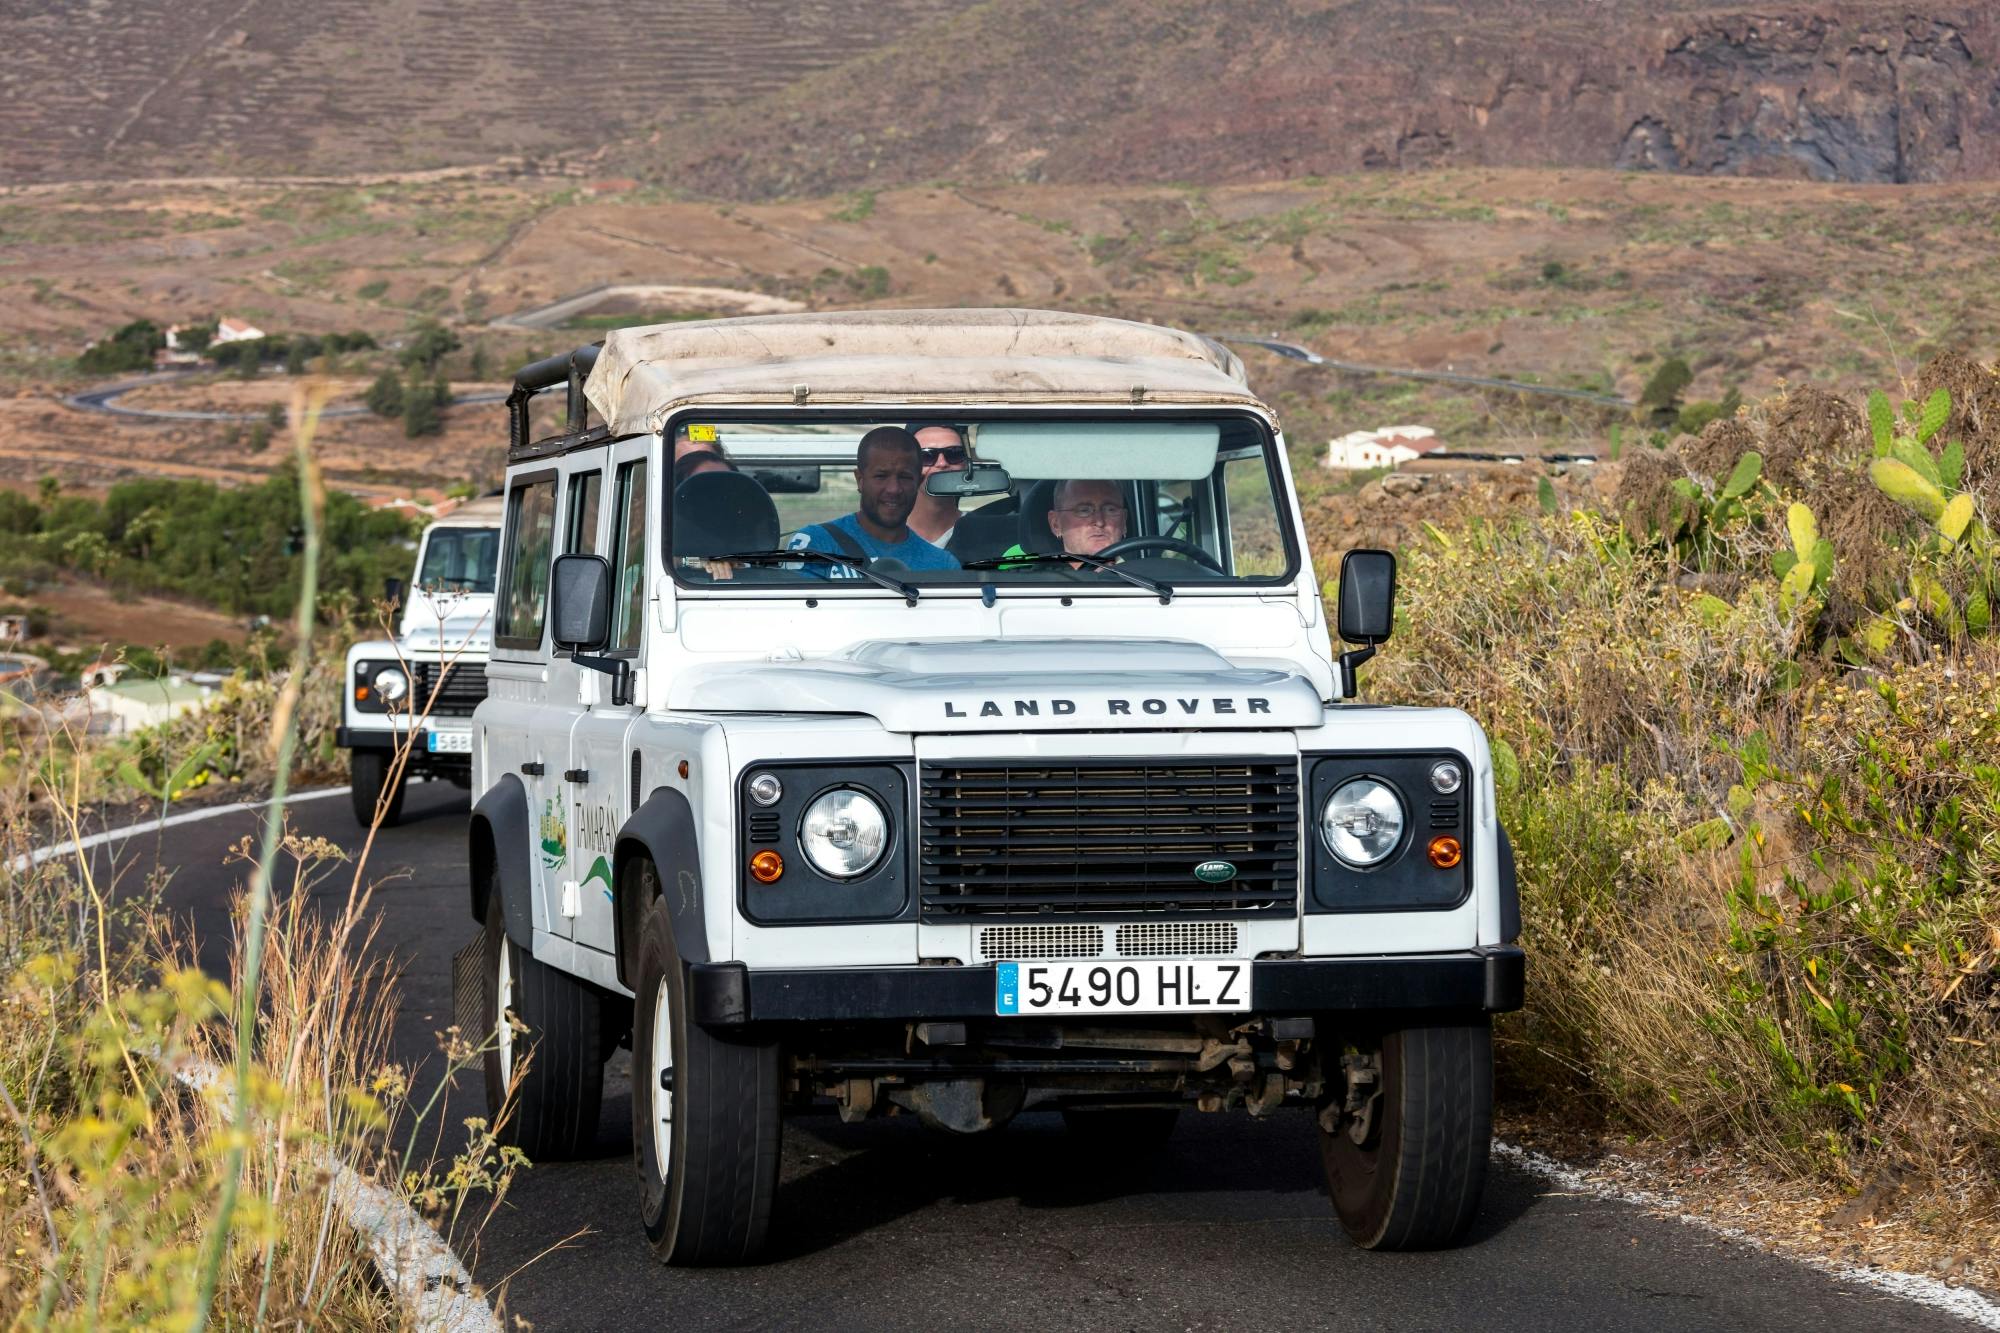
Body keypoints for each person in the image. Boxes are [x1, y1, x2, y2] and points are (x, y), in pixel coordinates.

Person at [788, 426, 961, 575]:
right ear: (860, 480)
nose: (893, 489)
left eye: (905, 477)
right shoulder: (815, 545)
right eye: (881, 476)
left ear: (919, 481)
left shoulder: (943, 565)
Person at [999, 478, 1128, 569]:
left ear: (1124, 521)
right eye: (1084, 511)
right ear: (1056, 524)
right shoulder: (1024, 586)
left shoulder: (1145, 578)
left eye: (1110, 509)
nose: (1099, 522)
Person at [905, 420, 967, 547]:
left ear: (965, 464)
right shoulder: (881, 534)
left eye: (954, 454)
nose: (942, 463)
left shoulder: (983, 532)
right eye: (926, 456)